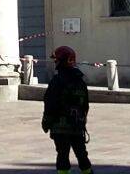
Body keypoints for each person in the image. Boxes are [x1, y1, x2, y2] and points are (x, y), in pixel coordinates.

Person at [42, 46, 93, 174]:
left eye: (56, 61)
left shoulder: (57, 81)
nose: (55, 63)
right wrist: (82, 121)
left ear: (61, 61)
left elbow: (50, 104)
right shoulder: (80, 81)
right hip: (77, 126)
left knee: (63, 157)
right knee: (82, 156)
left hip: (60, 127)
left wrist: (46, 122)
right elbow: (85, 105)